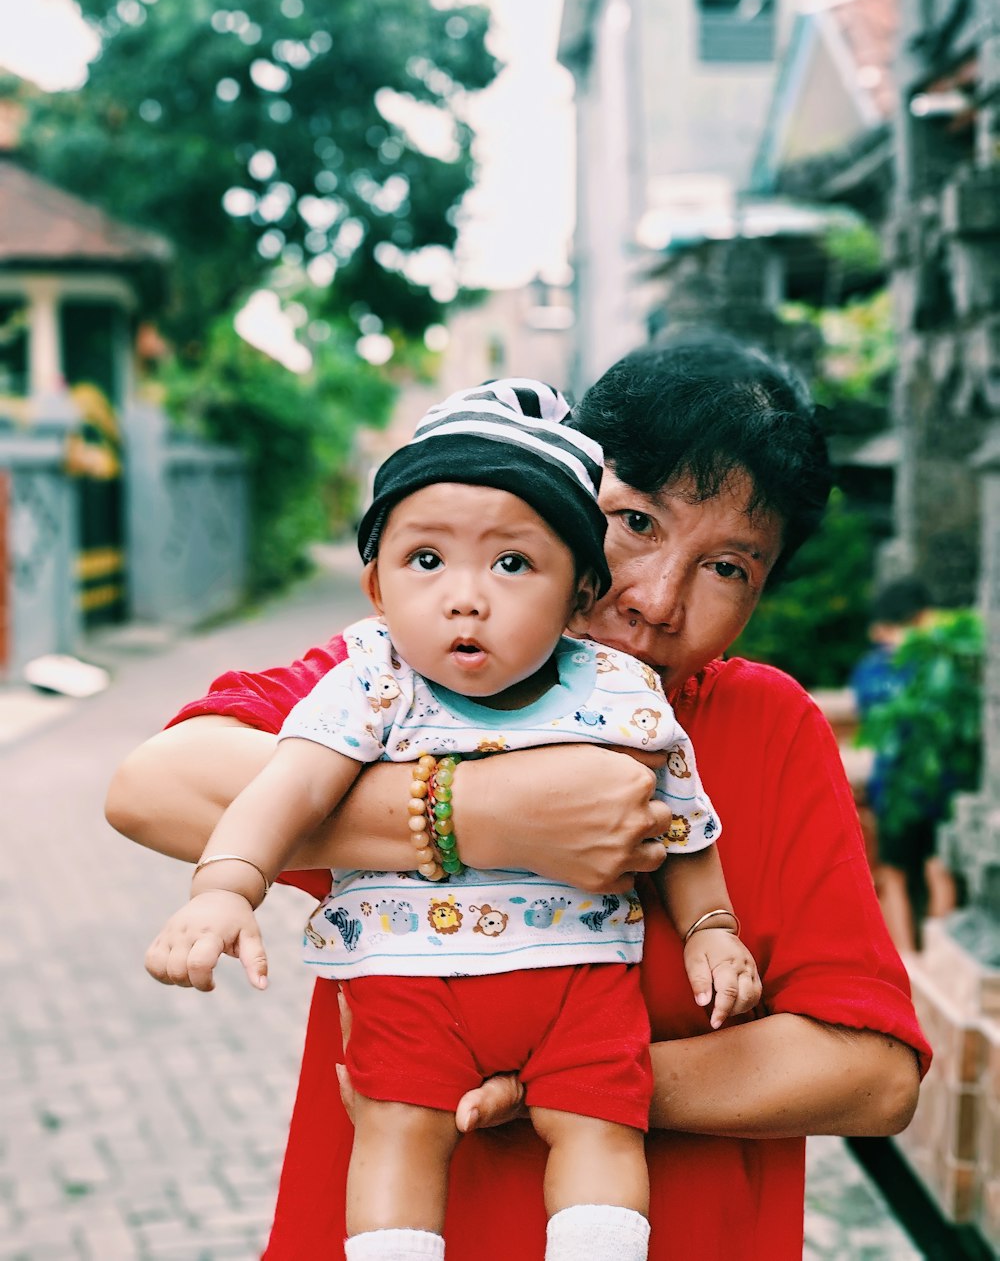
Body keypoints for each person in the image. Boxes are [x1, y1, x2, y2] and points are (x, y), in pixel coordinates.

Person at [107, 330, 932, 1261]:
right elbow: (152, 785)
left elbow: (872, 1073)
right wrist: (481, 813)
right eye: (638, 523)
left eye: (728, 567)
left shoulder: (765, 726)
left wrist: (573, 1078)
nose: (658, 599)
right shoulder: (412, 668)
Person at [850, 576, 957, 953]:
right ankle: (911, 959)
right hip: (905, 786)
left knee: (930, 866)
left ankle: (926, 956)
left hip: (923, 784)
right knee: (915, 868)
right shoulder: (928, 664)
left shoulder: (885, 668)